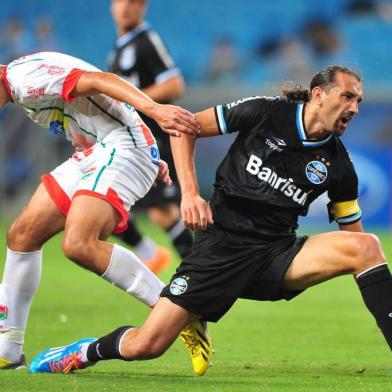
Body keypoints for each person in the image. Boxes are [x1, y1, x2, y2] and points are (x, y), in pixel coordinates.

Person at [30, 66, 391, 375]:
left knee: (366, 247)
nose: (355, 107)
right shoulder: (265, 112)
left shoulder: (339, 166)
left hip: (275, 256)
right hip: (220, 249)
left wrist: (356, 265)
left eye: (358, 100)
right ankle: (82, 352)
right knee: (147, 345)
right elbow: (185, 128)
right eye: (347, 97)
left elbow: (352, 235)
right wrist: (189, 193)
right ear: (318, 94)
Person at [0, 51, 212, 375]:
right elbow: (91, 107)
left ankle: (179, 312)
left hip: (122, 148)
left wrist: (152, 118)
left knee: (79, 243)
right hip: (100, 150)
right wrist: (150, 154)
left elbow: (101, 80)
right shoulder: (19, 89)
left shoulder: (25, 79)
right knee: (22, 234)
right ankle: (8, 350)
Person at [108, 0, 194, 273]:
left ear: (143, 6)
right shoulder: (119, 49)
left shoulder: (146, 41)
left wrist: (135, 101)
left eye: (133, 1)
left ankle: (200, 270)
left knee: (164, 211)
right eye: (120, 1)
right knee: (112, 204)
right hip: (125, 140)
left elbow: (174, 83)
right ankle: (156, 256)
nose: (125, 7)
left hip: (153, 140)